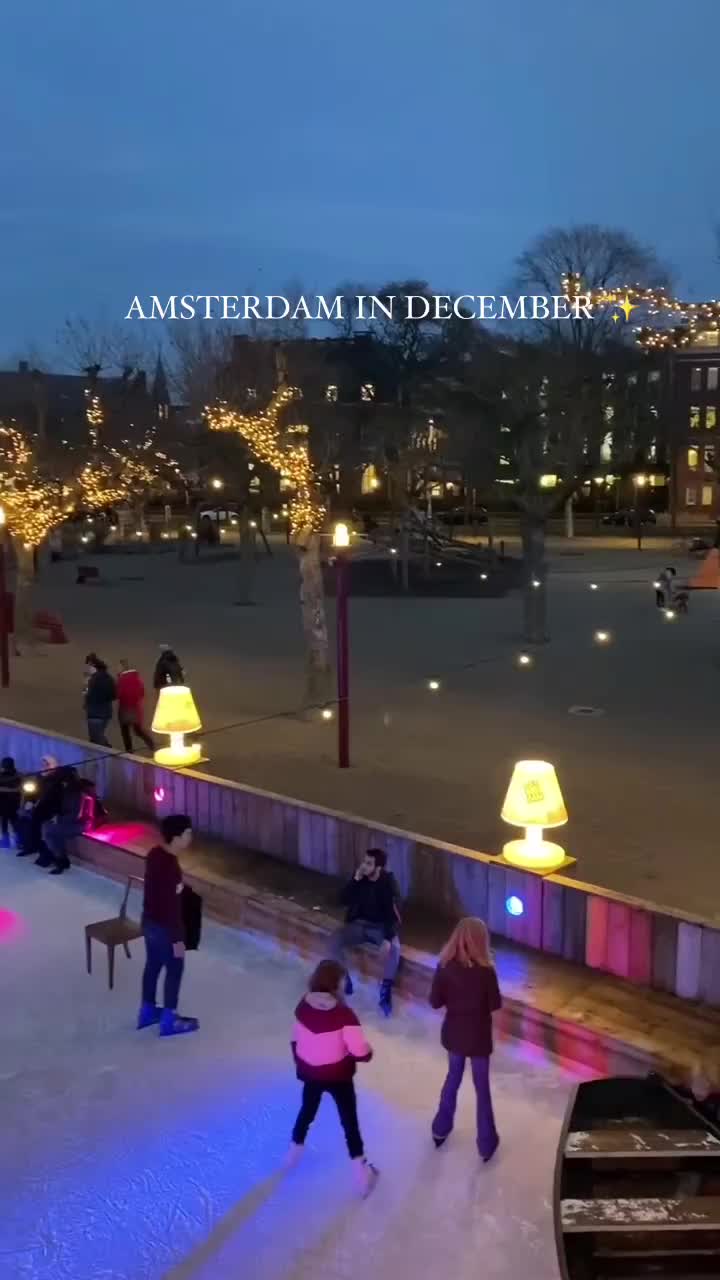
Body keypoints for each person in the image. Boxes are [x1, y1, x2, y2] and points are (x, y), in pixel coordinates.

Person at [287, 959, 378, 1197]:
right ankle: (361, 1173)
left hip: (311, 1074)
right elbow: (359, 1051)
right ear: (337, 985)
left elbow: (295, 1040)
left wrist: (305, 1064)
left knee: (307, 1110)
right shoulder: (344, 1015)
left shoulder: (302, 1007)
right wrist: (368, 1053)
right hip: (339, 1076)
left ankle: (293, 1152)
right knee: (349, 1121)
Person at [429, 917, 501, 1162]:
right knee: (482, 1090)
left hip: (454, 1034)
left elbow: (435, 1001)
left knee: (453, 1078)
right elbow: (495, 1004)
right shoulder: (486, 971)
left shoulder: (444, 966)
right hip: (479, 1037)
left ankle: (440, 1128)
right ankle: (486, 1143)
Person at [137, 813, 199, 1037]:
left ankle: (148, 1010)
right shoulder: (170, 867)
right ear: (177, 837)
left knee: (153, 965)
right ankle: (169, 1019)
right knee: (175, 968)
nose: (191, 836)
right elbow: (170, 906)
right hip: (169, 931)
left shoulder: (155, 854)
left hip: (149, 924)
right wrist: (179, 939)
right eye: (188, 833)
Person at [330, 848, 401, 1016]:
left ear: (379, 868)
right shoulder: (360, 878)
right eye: (364, 862)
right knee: (334, 940)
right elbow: (342, 900)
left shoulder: (388, 884)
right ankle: (344, 978)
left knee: (395, 949)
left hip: (380, 927)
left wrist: (387, 938)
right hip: (359, 925)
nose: (363, 866)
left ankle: (385, 991)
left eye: (369, 863)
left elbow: (395, 915)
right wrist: (355, 880)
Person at [15, 754, 62, 863]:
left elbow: (57, 798)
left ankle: (45, 854)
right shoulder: (39, 776)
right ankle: (29, 846)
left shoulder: (55, 780)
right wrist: (30, 801)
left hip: (48, 810)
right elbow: (33, 791)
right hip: (36, 808)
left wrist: (55, 812)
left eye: (46, 764)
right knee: (24, 823)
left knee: (43, 831)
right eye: (43, 764)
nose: (44, 766)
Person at [42, 769, 90, 875]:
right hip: (68, 822)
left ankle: (60, 860)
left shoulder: (75, 792)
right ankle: (61, 860)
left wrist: (57, 818)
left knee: (49, 832)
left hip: (80, 824)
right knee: (50, 830)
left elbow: (72, 814)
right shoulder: (68, 790)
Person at [117, 658, 154, 752]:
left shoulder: (121, 679)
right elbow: (142, 692)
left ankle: (129, 750)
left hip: (125, 709)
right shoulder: (137, 678)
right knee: (138, 730)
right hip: (136, 709)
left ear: (122, 668)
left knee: (125, 732)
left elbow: (118, 694)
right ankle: (151, 743)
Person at [84, 653, 117, 746]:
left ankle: (108, 753)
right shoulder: (108, 677)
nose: (87, 669)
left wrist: (86, 685)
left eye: (88, 666)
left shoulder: (93, 679)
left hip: (95, 714)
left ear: (93, 666)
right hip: (106, 713)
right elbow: (114, 695)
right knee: (99, 736)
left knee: (96, 740)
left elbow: (87, 694)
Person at [0, 756, 21, 848]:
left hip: (9, 802)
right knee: (9, 821)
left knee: (10, 821)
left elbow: (18, 789)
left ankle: (12, 841)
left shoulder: (17, 775)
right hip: (9, 802)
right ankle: (12, 840)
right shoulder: (17, 774)